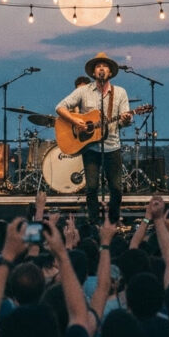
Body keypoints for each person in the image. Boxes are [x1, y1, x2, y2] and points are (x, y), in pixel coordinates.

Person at [56, 53, 132, 223]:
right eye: (98, 66)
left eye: (105, 66)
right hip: (90, 148)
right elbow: (60, 107)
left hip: (112, 146)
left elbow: (125, 120)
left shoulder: (119, 93)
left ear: (110, 72)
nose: (101, 69)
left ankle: (112, 221)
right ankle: (93, 222)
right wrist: (75, 120)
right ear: (93, 72)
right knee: (91, 188)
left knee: (116, 188)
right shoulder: (83, 91)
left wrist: (127, 119)